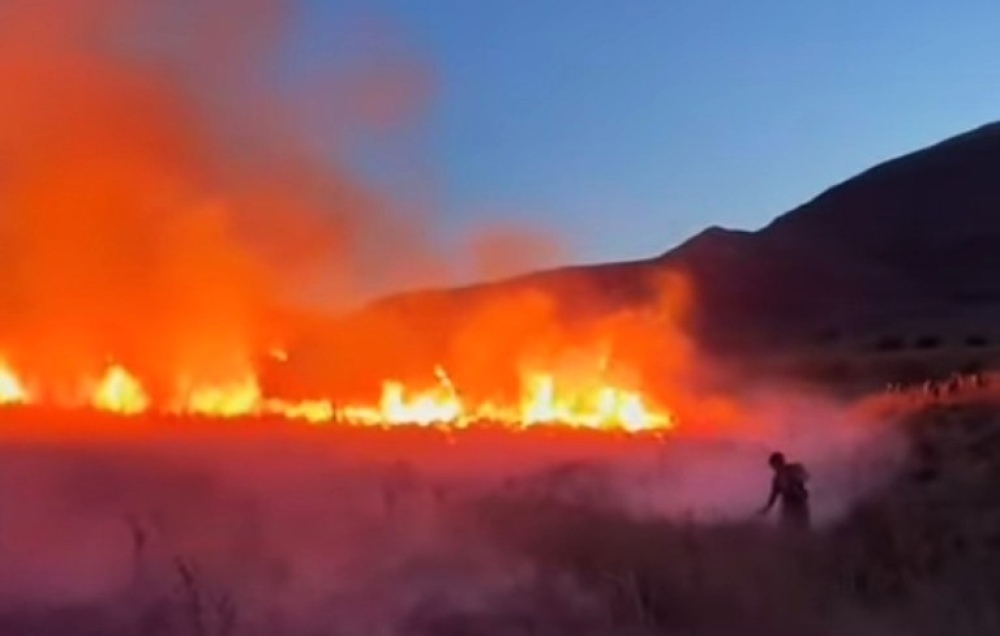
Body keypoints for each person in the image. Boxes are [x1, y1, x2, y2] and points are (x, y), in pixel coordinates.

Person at [758, 451, 810, 530]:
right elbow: (774, 495)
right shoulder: (777, 478)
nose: (774, 468)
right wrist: (767, 508)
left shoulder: (794, 468)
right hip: (788, 504)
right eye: (773, 466)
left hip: (799, 502)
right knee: (786, 526)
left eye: (774, 465)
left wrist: (796, 480)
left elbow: (806, 476)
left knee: (802, 526)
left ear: (780, 462)